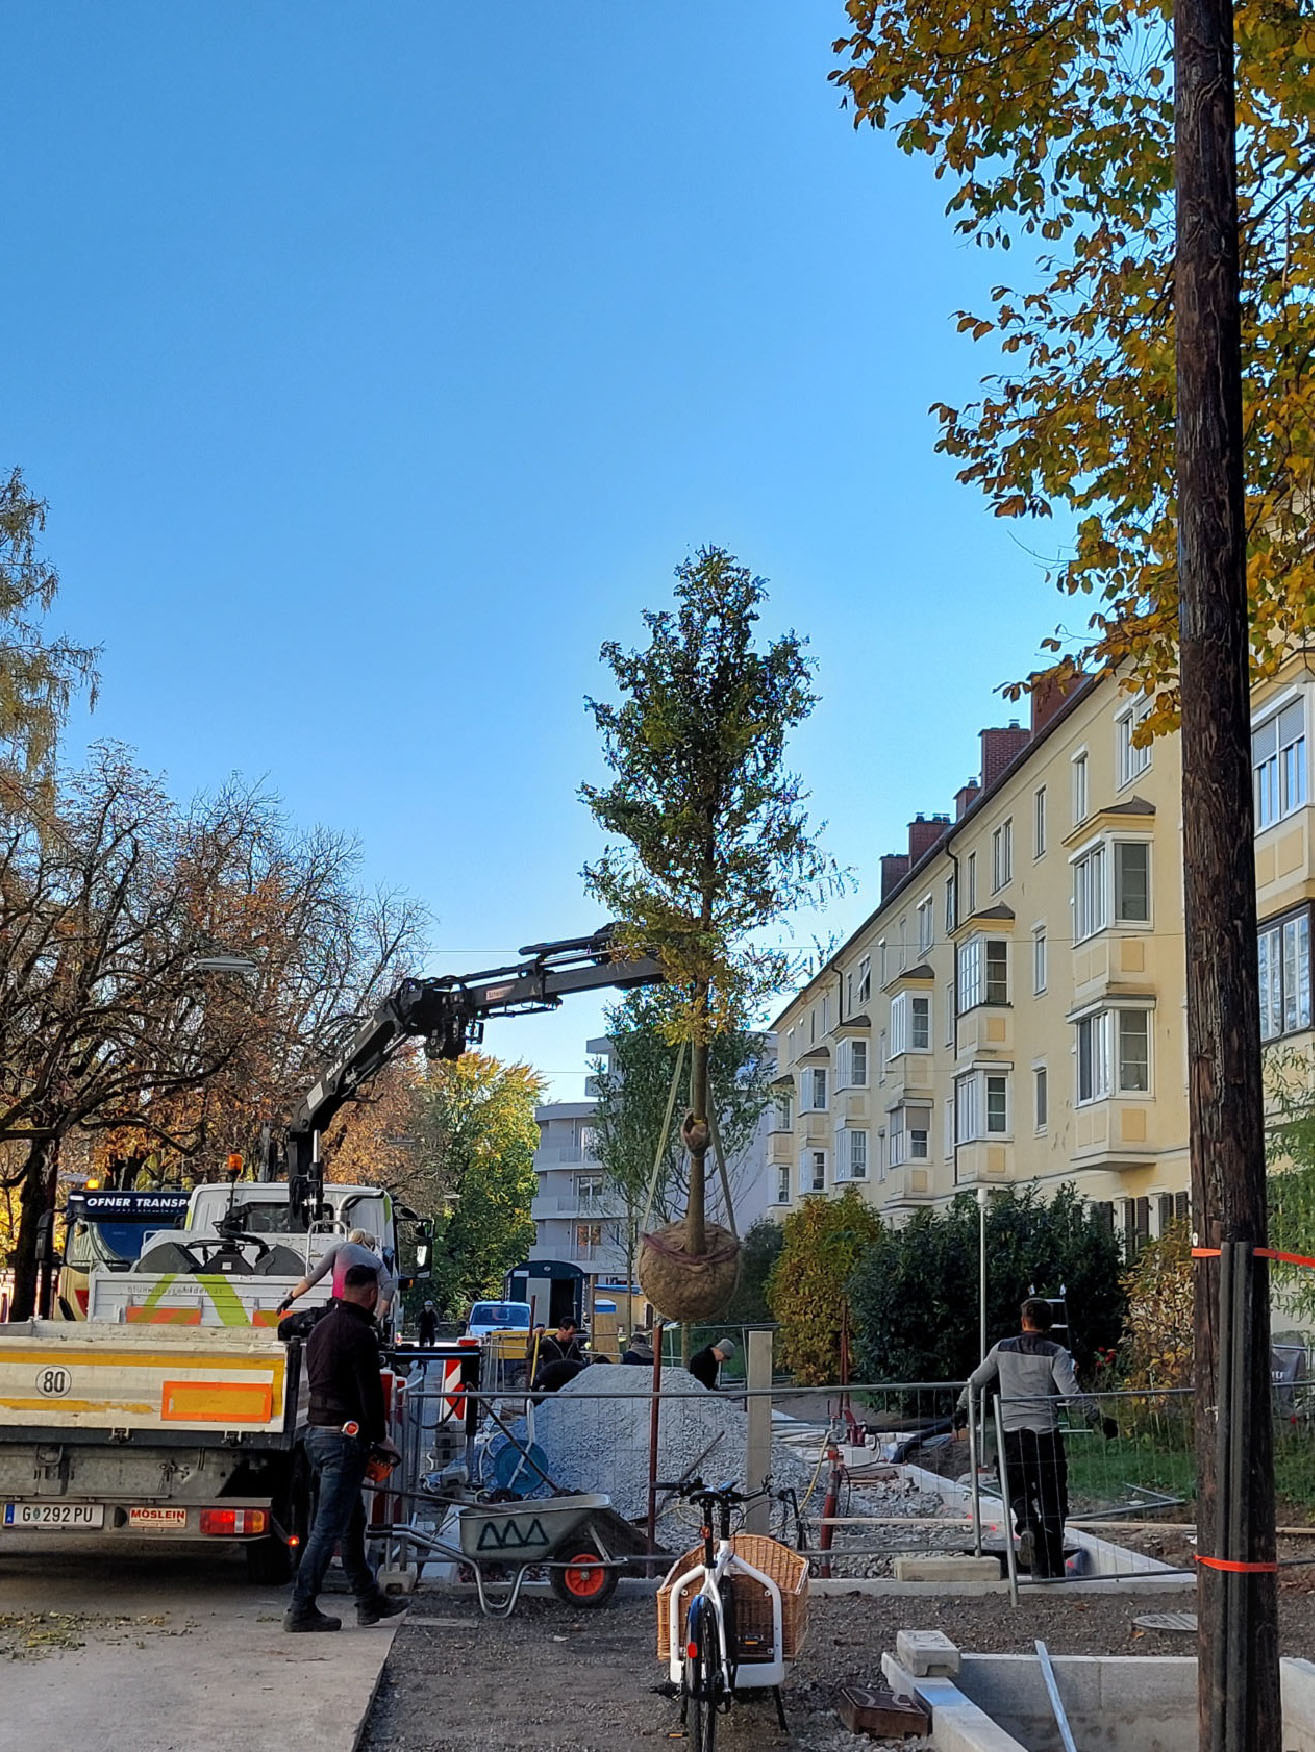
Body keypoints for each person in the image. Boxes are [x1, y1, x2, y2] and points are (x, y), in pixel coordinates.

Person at [283, 1265, 408, 1632]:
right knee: (327, 1529)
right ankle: (301, 1608)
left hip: (318, 1435)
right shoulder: (360, 1334)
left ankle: (369, 1601)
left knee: (351, 1523)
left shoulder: (321, 1328)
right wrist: (380, 1436)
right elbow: (369, 1392)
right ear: (371, 1295)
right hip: (343, 1439)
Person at [954, 1297, 1117, 1579]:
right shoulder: (1055, 1353)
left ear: (1023, 1321)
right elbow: (1070, 1393)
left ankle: (1026, 1524)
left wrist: (961, 1408)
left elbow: (976, 1380)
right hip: (1044, 1435)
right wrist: (1098, 1419)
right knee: (1053, 1498)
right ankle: (1050, 1568)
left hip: (1012, 1434)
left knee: (1017, 1490)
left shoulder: (1001, 1349)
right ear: (1050, 1324)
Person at [279, 1228, 396, 1322]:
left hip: (338, 1306)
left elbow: (313, 1278)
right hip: (363, 1314)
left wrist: (291, 1297)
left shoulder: (339, 1248)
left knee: (287, 1326)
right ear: (371, 1246)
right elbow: (389, 1286)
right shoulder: (376, 1261)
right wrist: (378, 1318)